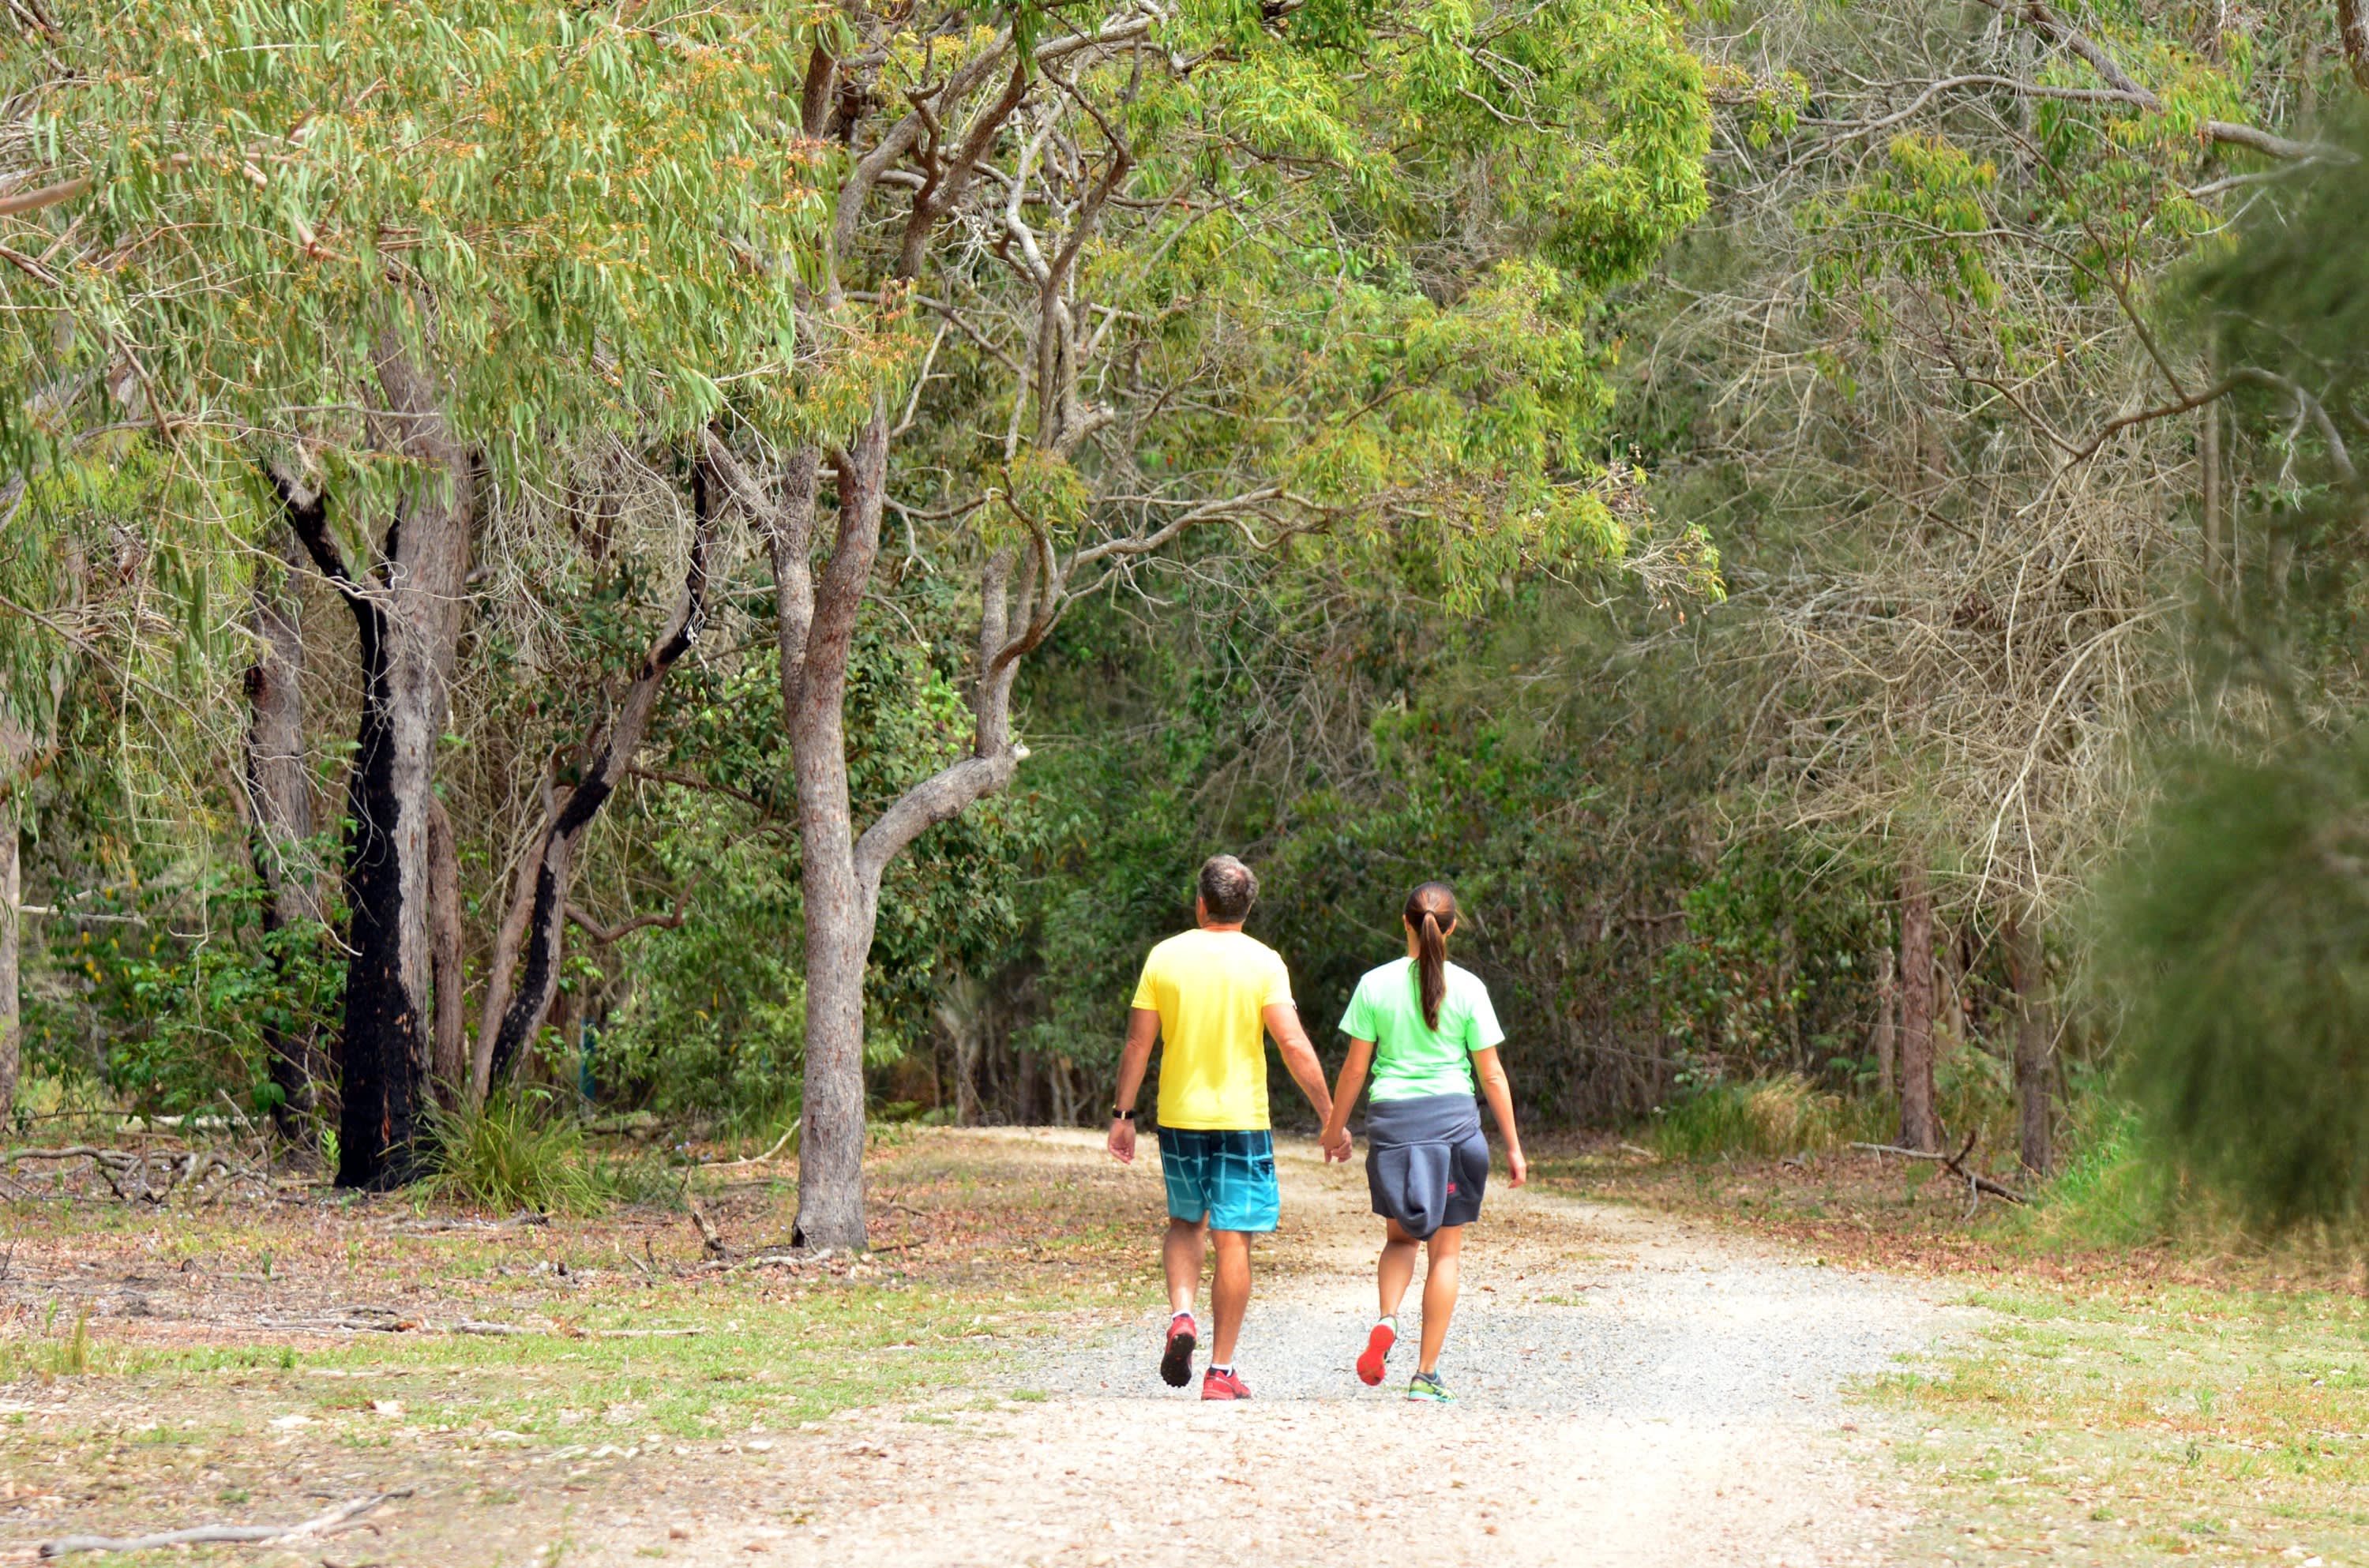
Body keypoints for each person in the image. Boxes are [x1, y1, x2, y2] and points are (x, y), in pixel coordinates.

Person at [1107, 854, 1344, 1401]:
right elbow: (1291, 1043)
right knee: (1232, 1237)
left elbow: (1138, 1043)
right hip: (1242, 1121)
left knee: (1185, 1224)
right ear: (1248, 907)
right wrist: (1330, 1116)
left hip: (1180, 1117)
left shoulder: (1165, 957)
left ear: (1201, 903)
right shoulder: (1264, 963)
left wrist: (1123, 1115)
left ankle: (1182, 1314)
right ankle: (1220, 1371)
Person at [1316, 881, 1525, 1403]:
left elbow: (1355, 1069)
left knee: (1399, 1240)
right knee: (1445, 1254)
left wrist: (1335, 1128)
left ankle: (1387, 1319)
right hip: (1453, 1127)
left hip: (1393, 1126)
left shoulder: (1374, 985)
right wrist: (1514, 1146)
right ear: (1450, 929)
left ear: (1405, 922)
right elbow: (1492, 1075)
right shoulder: (1469, 988)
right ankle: (1425, 1376)